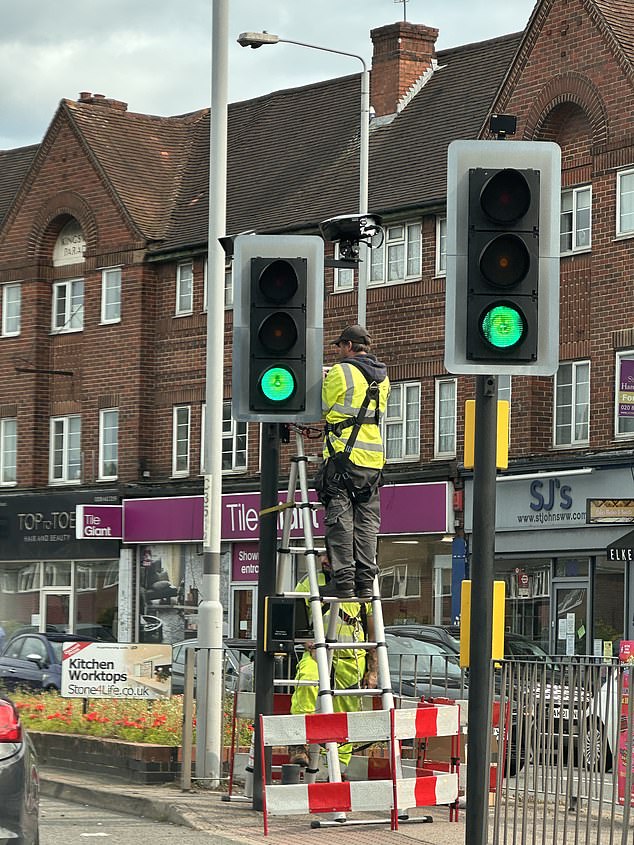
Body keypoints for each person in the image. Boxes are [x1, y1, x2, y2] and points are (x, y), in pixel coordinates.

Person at [318, 324, 390, 599]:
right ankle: (364, 583)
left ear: (348, 346)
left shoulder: (341, 371)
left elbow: (323, 406)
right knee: (367, 524)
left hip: (342, 458)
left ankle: (345, 583)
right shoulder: (383, 378)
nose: (338, 351)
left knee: (341, 522)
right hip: (373, 461)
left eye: (339, 346)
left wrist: (324, 380)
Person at [289, 553, 377, 769]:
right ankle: (299, 744)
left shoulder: (362, 585)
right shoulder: (310, 582)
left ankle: (337, 770)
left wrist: (373, 670)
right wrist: (307, 641)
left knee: (345, 718)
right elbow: (296, 617)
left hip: (352, 661)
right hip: (317, 654)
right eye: (320, 555)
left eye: (327, 555)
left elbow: (373, 632)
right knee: (307, 683)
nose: (323, 560)